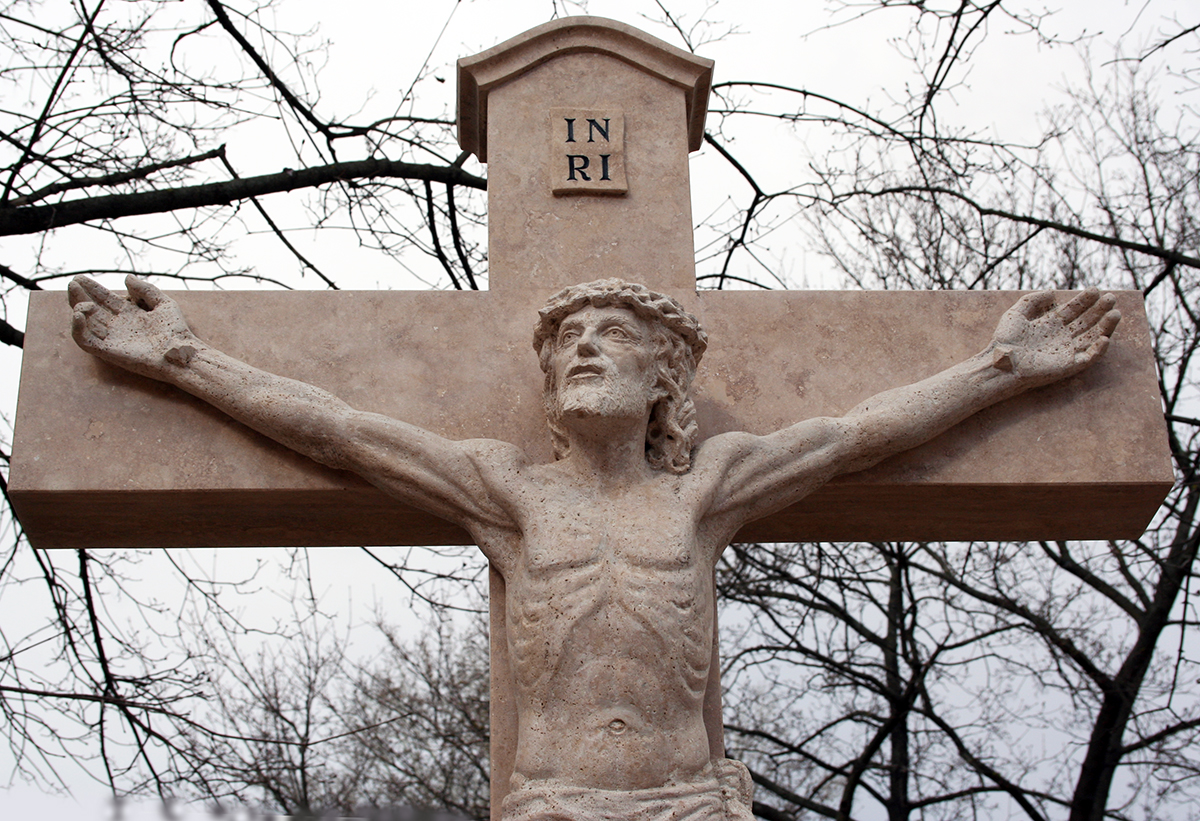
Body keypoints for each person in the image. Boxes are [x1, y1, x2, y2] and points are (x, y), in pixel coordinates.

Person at [68, 275, 1120, 821]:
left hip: (690, 803)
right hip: (552, 805)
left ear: (663, 376)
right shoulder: (512, 492)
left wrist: (1001, 370)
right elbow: (342, 431)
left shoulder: (705, 492)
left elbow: (854, 437)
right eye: (568, 339)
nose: (583, 347)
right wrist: (184, 359)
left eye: (611, 334)